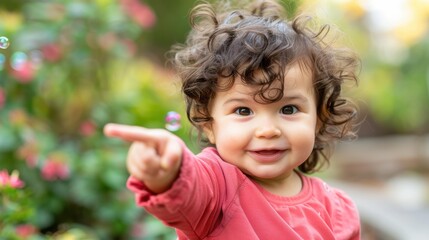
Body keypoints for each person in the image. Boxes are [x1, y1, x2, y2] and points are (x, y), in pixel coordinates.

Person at [104, 0, 361, 239]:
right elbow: (188, 191)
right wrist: (168, 173)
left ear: (318, 118)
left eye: (289, 109)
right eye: (243, 111)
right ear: (209, 125)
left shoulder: (336, 209)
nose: (268, 130)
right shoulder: (216, 188)